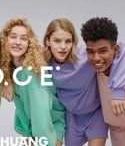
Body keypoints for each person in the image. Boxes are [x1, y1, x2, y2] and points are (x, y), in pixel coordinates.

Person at [0, 17, 66, 146]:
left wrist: (44, 142)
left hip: (50, 129)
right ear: (5, 40)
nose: (18, 42)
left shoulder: (31, 72)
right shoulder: (10, 69)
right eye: (13, 37)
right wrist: (6, 81)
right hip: (32, 131)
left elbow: (41, 114)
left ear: (29, 43)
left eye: (24, 38)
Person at [43, 18, 107, 146]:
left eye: (68, 41)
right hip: (71, 116)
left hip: (95, 113)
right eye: (57, 41)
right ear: (47, 41)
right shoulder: (43, 63)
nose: (63, 47)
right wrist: (8, 83)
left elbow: (119, 49)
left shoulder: (86, 55)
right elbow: (18, 66)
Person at [81, 17, 125, 146]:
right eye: (91, 52)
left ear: (115, 49)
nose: (96, 58)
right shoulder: (101, 70)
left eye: (102, 51)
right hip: (122, 133)